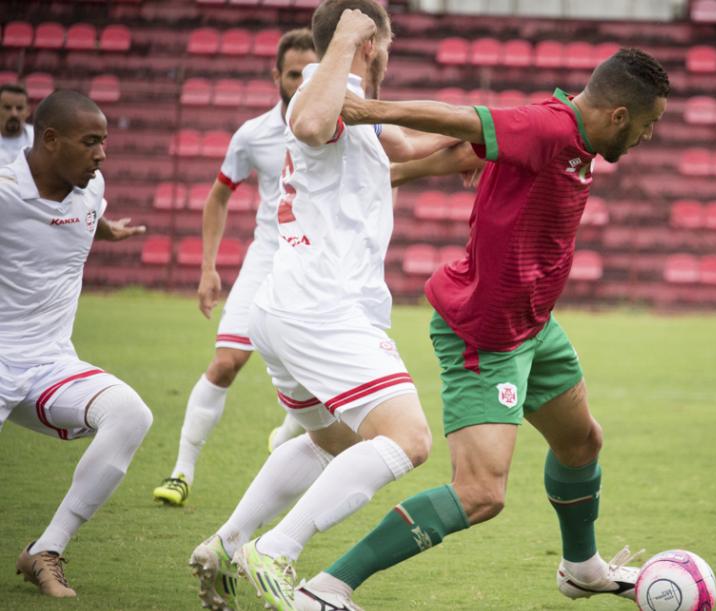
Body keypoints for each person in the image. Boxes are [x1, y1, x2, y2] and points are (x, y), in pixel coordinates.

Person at [289, 47, 671, 610]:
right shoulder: (548, 126)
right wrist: (366, 110)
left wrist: (403, 171)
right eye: (648, 124)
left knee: (581, 441)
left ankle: (582, 567)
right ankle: (326, 588)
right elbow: (462, 119)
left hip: (535, 326)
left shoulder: (575, 138)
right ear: (619, 115)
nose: (647, 136)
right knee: (480, 494)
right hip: (485, 335)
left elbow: (473, 148)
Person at [187, 3, 457, 610]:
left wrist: (491, 136)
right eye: (382, 44)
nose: (387, 54)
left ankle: (228, 544)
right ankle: (277, 551)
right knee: (409, 439)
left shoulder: (350, 106)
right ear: (368, 43)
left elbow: (410, 144)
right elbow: (309, 125)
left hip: (289, 305)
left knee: (332, 441)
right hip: (320, 307)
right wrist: (347, 39)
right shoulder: (322, 93)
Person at [152, 29, 320, 508]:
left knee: (316, 373)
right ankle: (182, 471)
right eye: (294, 74)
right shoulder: (253, 135)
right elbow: (219, 196)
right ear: (277, 76)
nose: (303, 82)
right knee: (227, 362)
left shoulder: (338, 127)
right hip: (268, 256)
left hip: (315, 265)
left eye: (312, 73)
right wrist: (208, 268)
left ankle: (288, 431)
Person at [0, 90, 152, 599]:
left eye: (104, 142)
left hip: (49, 365)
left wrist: (108, 232)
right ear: (50, 139)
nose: (102, 154)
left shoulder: (91, 187)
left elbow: (84, 221)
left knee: (131, 414)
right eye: (90, 142)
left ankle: (46, 549)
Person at [0, 83, 33, 165]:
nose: (14, 114)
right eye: (7, 107)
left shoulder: (38, 139)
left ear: (28, 111)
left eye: (19, 108)